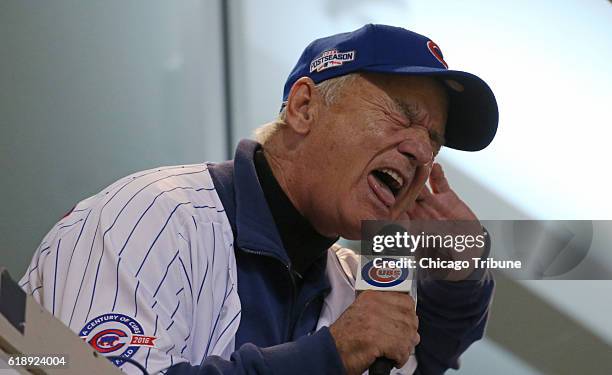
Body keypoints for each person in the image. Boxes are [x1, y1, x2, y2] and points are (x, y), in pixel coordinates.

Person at [19, 24, 498, 375]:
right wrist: (330, 355)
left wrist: (460, 276)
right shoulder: (152, 216)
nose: (419, 151)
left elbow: (422, 356)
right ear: (304, 107)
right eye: (400, 114)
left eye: (433, 143)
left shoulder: (353, 283)